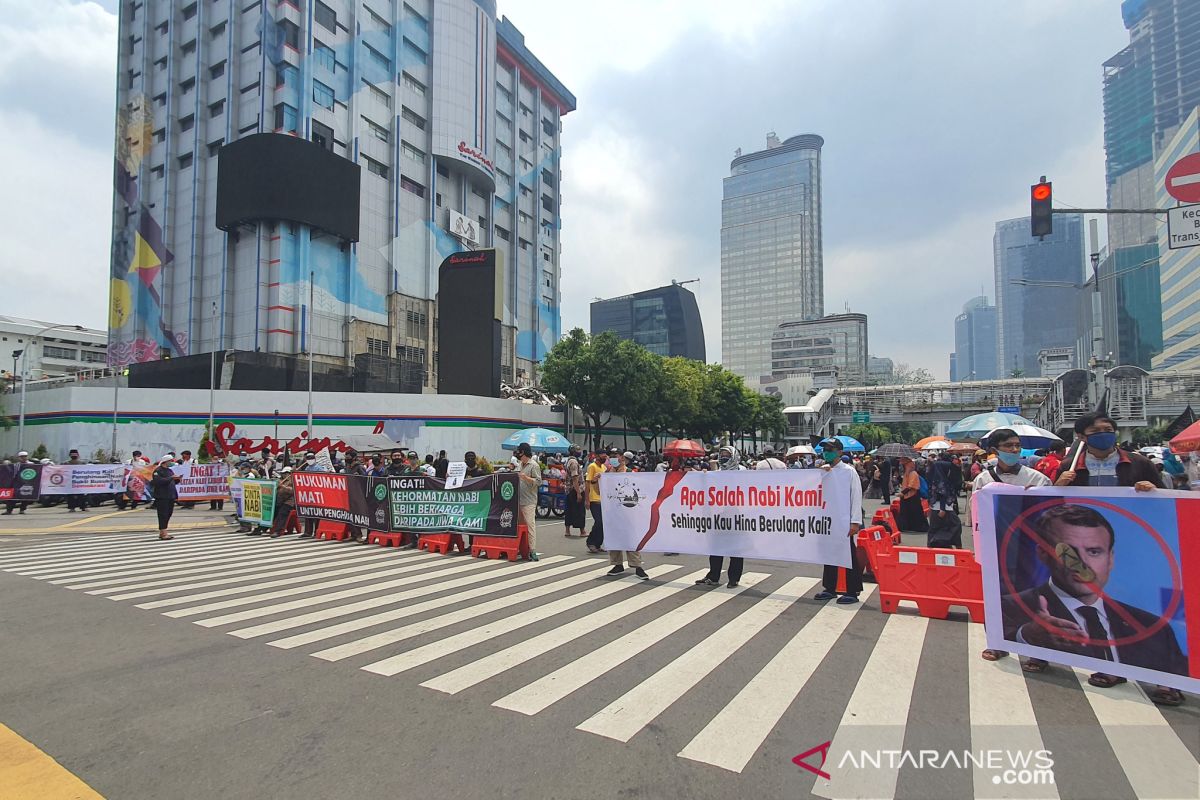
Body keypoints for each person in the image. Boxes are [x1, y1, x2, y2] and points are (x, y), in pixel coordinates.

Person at [999, 503, 1186, 706]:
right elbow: (999, 636)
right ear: (1043, 554)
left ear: (1111, 558)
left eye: (1094, 552)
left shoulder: (1153, 628)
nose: (1082, 564)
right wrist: (1029, 635)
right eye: (1068, 552)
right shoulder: (1013, 606)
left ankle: (1113, 672)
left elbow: (1175, 667)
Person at [1051, 413, 1179, 705]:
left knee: (1148, 611)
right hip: (1091, 552)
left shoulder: (1138, 464)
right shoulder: (1070, 467)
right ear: (1082, 437)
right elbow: (1053, 506)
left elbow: (1168, 503)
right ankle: (1110, 667)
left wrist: (1153, 491)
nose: (1105, 434)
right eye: (1096, 431)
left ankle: (1166, 678)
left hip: (1137, 546)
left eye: (1109, 430)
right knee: (1105, 611)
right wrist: (1058, 485)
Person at [813, 438, 865, 603]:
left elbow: (856, 497)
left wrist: (855, 521)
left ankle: (853, 590)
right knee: (829, 554)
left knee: (848, 555)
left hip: (844, 521)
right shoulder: (824, 471)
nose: (826, 451)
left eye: (830, 448)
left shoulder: (849, 472)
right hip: (827, 520)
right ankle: (830, 588)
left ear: (840, 452)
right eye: (825, 448)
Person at [696, 445, 746, 588]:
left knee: (735, 548)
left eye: (727, 454)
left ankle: (734, 578)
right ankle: (713, 576)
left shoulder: (743, 472)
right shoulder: (716, 473)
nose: (724, 457)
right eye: (722, 454)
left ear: (734, 456)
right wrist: (704, 476)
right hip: (719, 515)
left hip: (737, 515)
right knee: (715, 547)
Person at [605, 451, 648, 579]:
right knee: (614, 538)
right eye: (611, 457)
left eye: (615, 457)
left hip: (629, 512)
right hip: (613, 511)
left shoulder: (630, 472)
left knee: (631, 539)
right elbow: (601, 491)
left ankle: (637, 566)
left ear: (622, 458)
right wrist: (597, 481)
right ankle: (617, 564)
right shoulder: (607, 474)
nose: (613, 459)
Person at [514, 443, 542, 561]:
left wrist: (527, 478)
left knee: (530, 526)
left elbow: (539, 481)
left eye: (520, 452)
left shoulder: (533, 465)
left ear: (524, 453)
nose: (518, 455)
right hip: (518, 500)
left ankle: (533, 550)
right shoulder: (520, 464)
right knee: (520, 526)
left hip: (529, 501)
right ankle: (522, 548)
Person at [894, 457, 928, 533]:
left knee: (915, 512)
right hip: (906, 496)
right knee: (905, 512)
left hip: (913, 496)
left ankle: (919, 527)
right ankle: (906, 527)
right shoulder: (907, 473)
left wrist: (902, 493)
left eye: (904, 465)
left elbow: (911, 485)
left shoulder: (913, 473)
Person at [151, 455, 180, 540]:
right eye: (170, 461)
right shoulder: (158, 470)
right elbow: (158, 481)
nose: (172, 462)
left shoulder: (169, 470)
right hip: (162, 496)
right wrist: (171, 478)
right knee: (163, 514)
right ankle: (163, 533)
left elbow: (172, 481)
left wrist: (177, 479)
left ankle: (163, 532)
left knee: (168, 514)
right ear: (165, 461)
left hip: (170, 495)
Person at [585, 451, 607, 553]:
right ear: (597, 456)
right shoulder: (592, 467)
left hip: (603, 499)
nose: (605, 457)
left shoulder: (604, 468)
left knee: (603, 523)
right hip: (594, 499)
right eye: (603, 455)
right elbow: (588, 483)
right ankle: (591, 542)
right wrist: (587, 500)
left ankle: (598, 544)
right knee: (599, 522)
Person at [563, 444, 587, 539]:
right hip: (575, 489)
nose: (579, 452)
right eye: (577, 450)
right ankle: (582, 531)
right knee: (580, 511)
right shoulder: (573, 462)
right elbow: (575, 478)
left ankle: (567, 530)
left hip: (569, 489)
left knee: (569, 510)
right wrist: (578, 493)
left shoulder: (569, 460)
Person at [3, 451, 33, 515]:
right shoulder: (16, 465)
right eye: (22, 457)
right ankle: (9, 510)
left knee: (26, 496)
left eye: (25, 456)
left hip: (27, 483)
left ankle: (22, 509)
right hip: (17, 483)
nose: (23, 458)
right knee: (12, 496)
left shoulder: (32, 464)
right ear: (19, 458)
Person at [269, 468, 296, 537]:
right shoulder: (281, 480)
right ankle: (260, 528)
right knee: (270, 511)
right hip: (280, 501)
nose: (284, 475)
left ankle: (278, 531)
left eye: (286, 473)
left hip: (290, 502)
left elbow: (292, 491)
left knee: (282, 513)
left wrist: (282, 486)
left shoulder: (293, 481)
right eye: (283, 473)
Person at [64, 448, 89, 513]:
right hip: (70, 482)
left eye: (75, 455)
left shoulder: (82, 463)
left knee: (81, 495)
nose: (74, 456)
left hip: (79, 482)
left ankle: (83, 507)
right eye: (73, 455)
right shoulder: (66, 463)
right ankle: (73, 507)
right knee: (71, 496)